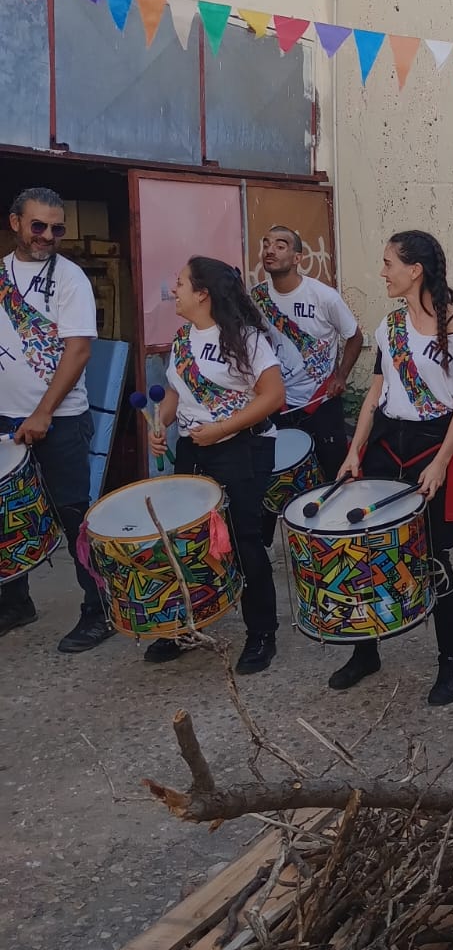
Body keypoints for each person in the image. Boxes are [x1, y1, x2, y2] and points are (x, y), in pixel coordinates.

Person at [336, 230, 453, 702]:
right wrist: (353, 453)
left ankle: (451, 662)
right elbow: (375, 395)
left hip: (431, 446)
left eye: (388, 263)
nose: (382, 272)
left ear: (414, 269)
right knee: (367, 549)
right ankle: (366, 649)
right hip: (388, 444)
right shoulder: (390, 326)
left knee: (434, 558)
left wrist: (443, 463)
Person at [148, 258, 284, 674]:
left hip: (243, 447)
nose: (175, 288)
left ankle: (262, 633)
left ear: (203, 294)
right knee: (187, 539)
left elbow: (272, 395)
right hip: (196, 447)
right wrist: (161, 422)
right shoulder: (183, 338)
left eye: (181, 282)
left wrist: (222, 427)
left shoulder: (245, 339)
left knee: (243, 541)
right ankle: (188, 624)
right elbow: (176, 391)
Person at [0, 187, 112, 652]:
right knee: (8, 515)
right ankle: (14, 602)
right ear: (15, 223)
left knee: (73, 515)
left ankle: (99, 609)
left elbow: (79, 349)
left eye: (57, 228)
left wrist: (44, 412)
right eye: (38, 225)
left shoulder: (70, 279)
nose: (48, 236)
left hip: (61, 419)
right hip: (6, 417)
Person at [252, 227, 362, 542]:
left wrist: (340, 375)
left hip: (320, 402)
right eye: (266, 244)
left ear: (298, 257)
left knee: (334, 477)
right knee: (268, 478)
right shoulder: (256, 296)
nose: (270, 250)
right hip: (276, 404)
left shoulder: (323, 296)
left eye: (281, 245)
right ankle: (262, 552)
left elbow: (354, 336)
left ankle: (339, 540)